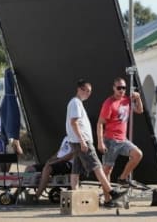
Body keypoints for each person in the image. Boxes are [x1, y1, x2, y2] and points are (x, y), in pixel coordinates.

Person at [66, 79, 127, 207]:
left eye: (90, 92)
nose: (88, 94)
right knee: (97, 166)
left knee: (76, 169)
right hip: (82, 141)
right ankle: (111, 191)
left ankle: (74, 196)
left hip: (76, 141)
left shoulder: (76, 103)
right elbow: (74, 122)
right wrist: (83, 141)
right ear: (79, 89)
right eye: (86, 91)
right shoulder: (76, 103)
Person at [97, 77, 143, 186]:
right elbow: (100, 123)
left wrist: (138, 98)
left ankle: (122, 178)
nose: (121, 90)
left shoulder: (126, 100)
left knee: (138, 154)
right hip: (110, 140)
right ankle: (107, 197)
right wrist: (100, 142)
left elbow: (140, 110)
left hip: (122, 140)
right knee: (107, 169)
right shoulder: (109, 103)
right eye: (119, 88)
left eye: (123, 88)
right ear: (114, 88)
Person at [26, 136, 74, 201]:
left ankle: (36, 196)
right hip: (58, 160)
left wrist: (56, 161)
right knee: (30, 168)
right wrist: (51, 159)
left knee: (47, 168)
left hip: (68, 163)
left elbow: (71, 155)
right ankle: (19, 192)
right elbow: (59, 152)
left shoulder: (76, 138)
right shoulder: (66, 137)